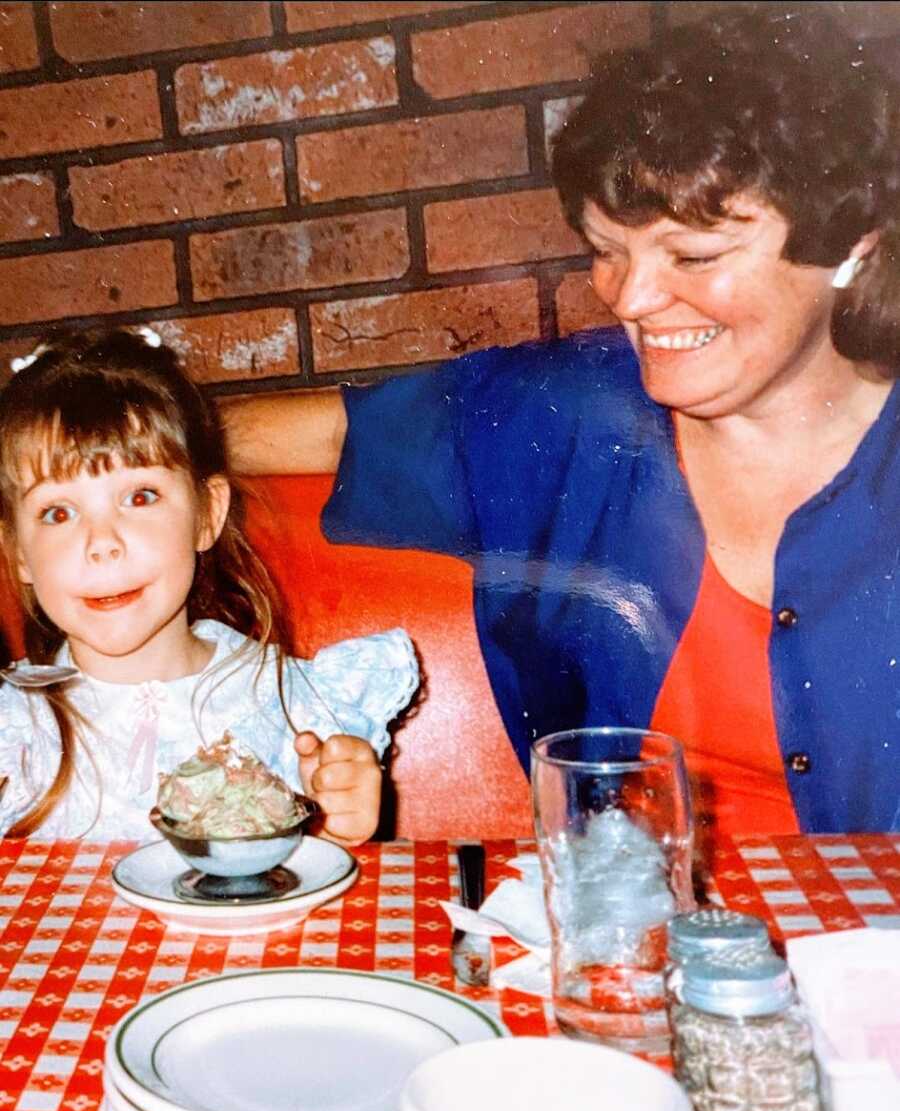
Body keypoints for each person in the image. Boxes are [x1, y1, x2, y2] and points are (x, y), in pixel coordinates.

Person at [221, 6, 900, 841]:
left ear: (852, 252)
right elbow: (321, 434)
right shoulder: (570, 412)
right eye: (605, 247)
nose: (630, 297)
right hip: (619, 933)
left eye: (693, 256)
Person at [0, 328, 419, 843]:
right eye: (58, 512)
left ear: (207, 514)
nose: (101, 543)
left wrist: (338, 826)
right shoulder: (15, 729)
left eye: (140, 497)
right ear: (19, 551)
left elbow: (319, 888)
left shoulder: (288, 704)